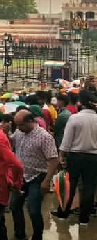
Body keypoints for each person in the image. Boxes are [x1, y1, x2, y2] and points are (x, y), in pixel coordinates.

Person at [10, 109, 59, 240]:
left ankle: (37, 236)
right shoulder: (19, 132)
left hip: (37, 177)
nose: (19, 128)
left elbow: (54, 160)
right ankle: (19, 234)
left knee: (33, 210)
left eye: (21, 125)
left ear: (30, 121)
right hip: (21, 176)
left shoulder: (44, 137)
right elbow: (11, 142)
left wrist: (47, 181)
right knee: (14, 206)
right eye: (17, 125)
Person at [55, 90, 97, 225]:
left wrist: (61, 155)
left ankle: (63, 213)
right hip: (93, 157)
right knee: (89, 187)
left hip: (75, 156)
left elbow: (66, 140)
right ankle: (84, 219)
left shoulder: (74, 118)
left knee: (70, 185)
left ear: (81, 103)